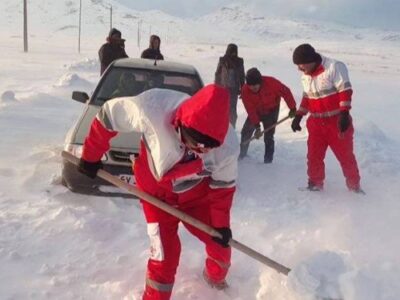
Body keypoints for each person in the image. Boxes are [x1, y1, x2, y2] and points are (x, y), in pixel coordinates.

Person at [77, 84, 239, 299]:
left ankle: (214, 282)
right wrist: (91, 155)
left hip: (196, 199)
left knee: (220, 246)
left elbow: (222, 190)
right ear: (180, 123)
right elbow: (107, 116)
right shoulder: (151, 108)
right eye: (194, 143)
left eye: (207, 148)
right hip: (155, 197)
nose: (199, 150)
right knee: (164, 257)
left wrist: (220, 226)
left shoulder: (227, 147)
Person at [291, 43, 362, 193]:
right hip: (316, 123)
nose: (299, 69)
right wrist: (299, 115)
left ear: (310, 60)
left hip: (336, 122)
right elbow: (307, 97)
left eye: (301, 65)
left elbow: (345, 90)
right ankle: (315, 185)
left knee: (345, 157)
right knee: (313, 156)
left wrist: (344, 114)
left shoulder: (334, 67)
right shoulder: (305, 76)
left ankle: (354, 187)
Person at [239, 68, 297, 163]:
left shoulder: (271, 83)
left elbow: (286, 91)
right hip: (256, 111)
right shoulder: (245, 91)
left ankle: (268, 161)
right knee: (246, 131)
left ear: (260, 82)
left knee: (269, 136)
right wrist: (257, 127)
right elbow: (250, 110)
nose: (254, 87)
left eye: (256, 85)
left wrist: (292, 108)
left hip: (271, 110)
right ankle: (242, 155)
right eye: (251, 86)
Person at [214, 43, 245, 128]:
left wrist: (243, 89)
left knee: (232, 110)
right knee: (222, 108)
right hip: (223, 88)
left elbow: (242, 76)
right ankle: (221, 126)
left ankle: (231, 127)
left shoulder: (239, 61)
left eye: (235, 52)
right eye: (232, 52)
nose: (233, 54)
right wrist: (216, 87)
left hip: (234, 90)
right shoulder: (222, 60)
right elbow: (218, 74)